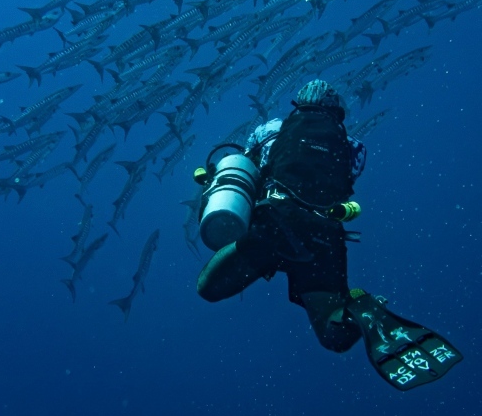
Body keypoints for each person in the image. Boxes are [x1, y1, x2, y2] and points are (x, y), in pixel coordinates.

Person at [196, 80, 462, 391]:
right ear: (336, 109)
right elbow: (346, 183)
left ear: (300, 102)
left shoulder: (271, 129)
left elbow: (247, 173)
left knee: (208, 288)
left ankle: (351, 307)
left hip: (275, 225)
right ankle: (361, 309)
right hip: (325, 235)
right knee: (332, 334)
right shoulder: (353, 146)